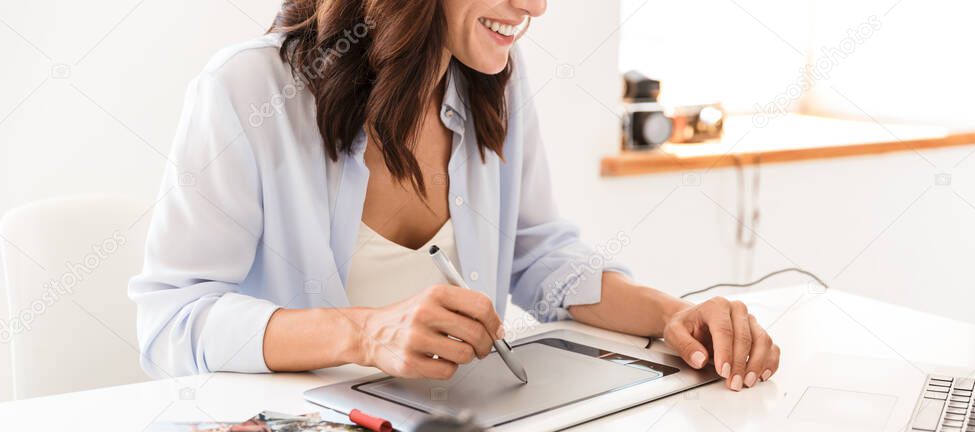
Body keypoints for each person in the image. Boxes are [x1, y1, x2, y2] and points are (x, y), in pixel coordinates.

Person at [129, 0, 780, 391]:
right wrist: (364, 334)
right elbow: (171, 321)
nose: (536, 6)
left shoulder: (489, 81)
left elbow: (535, 256)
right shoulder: (247, 89)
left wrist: (669, 315)